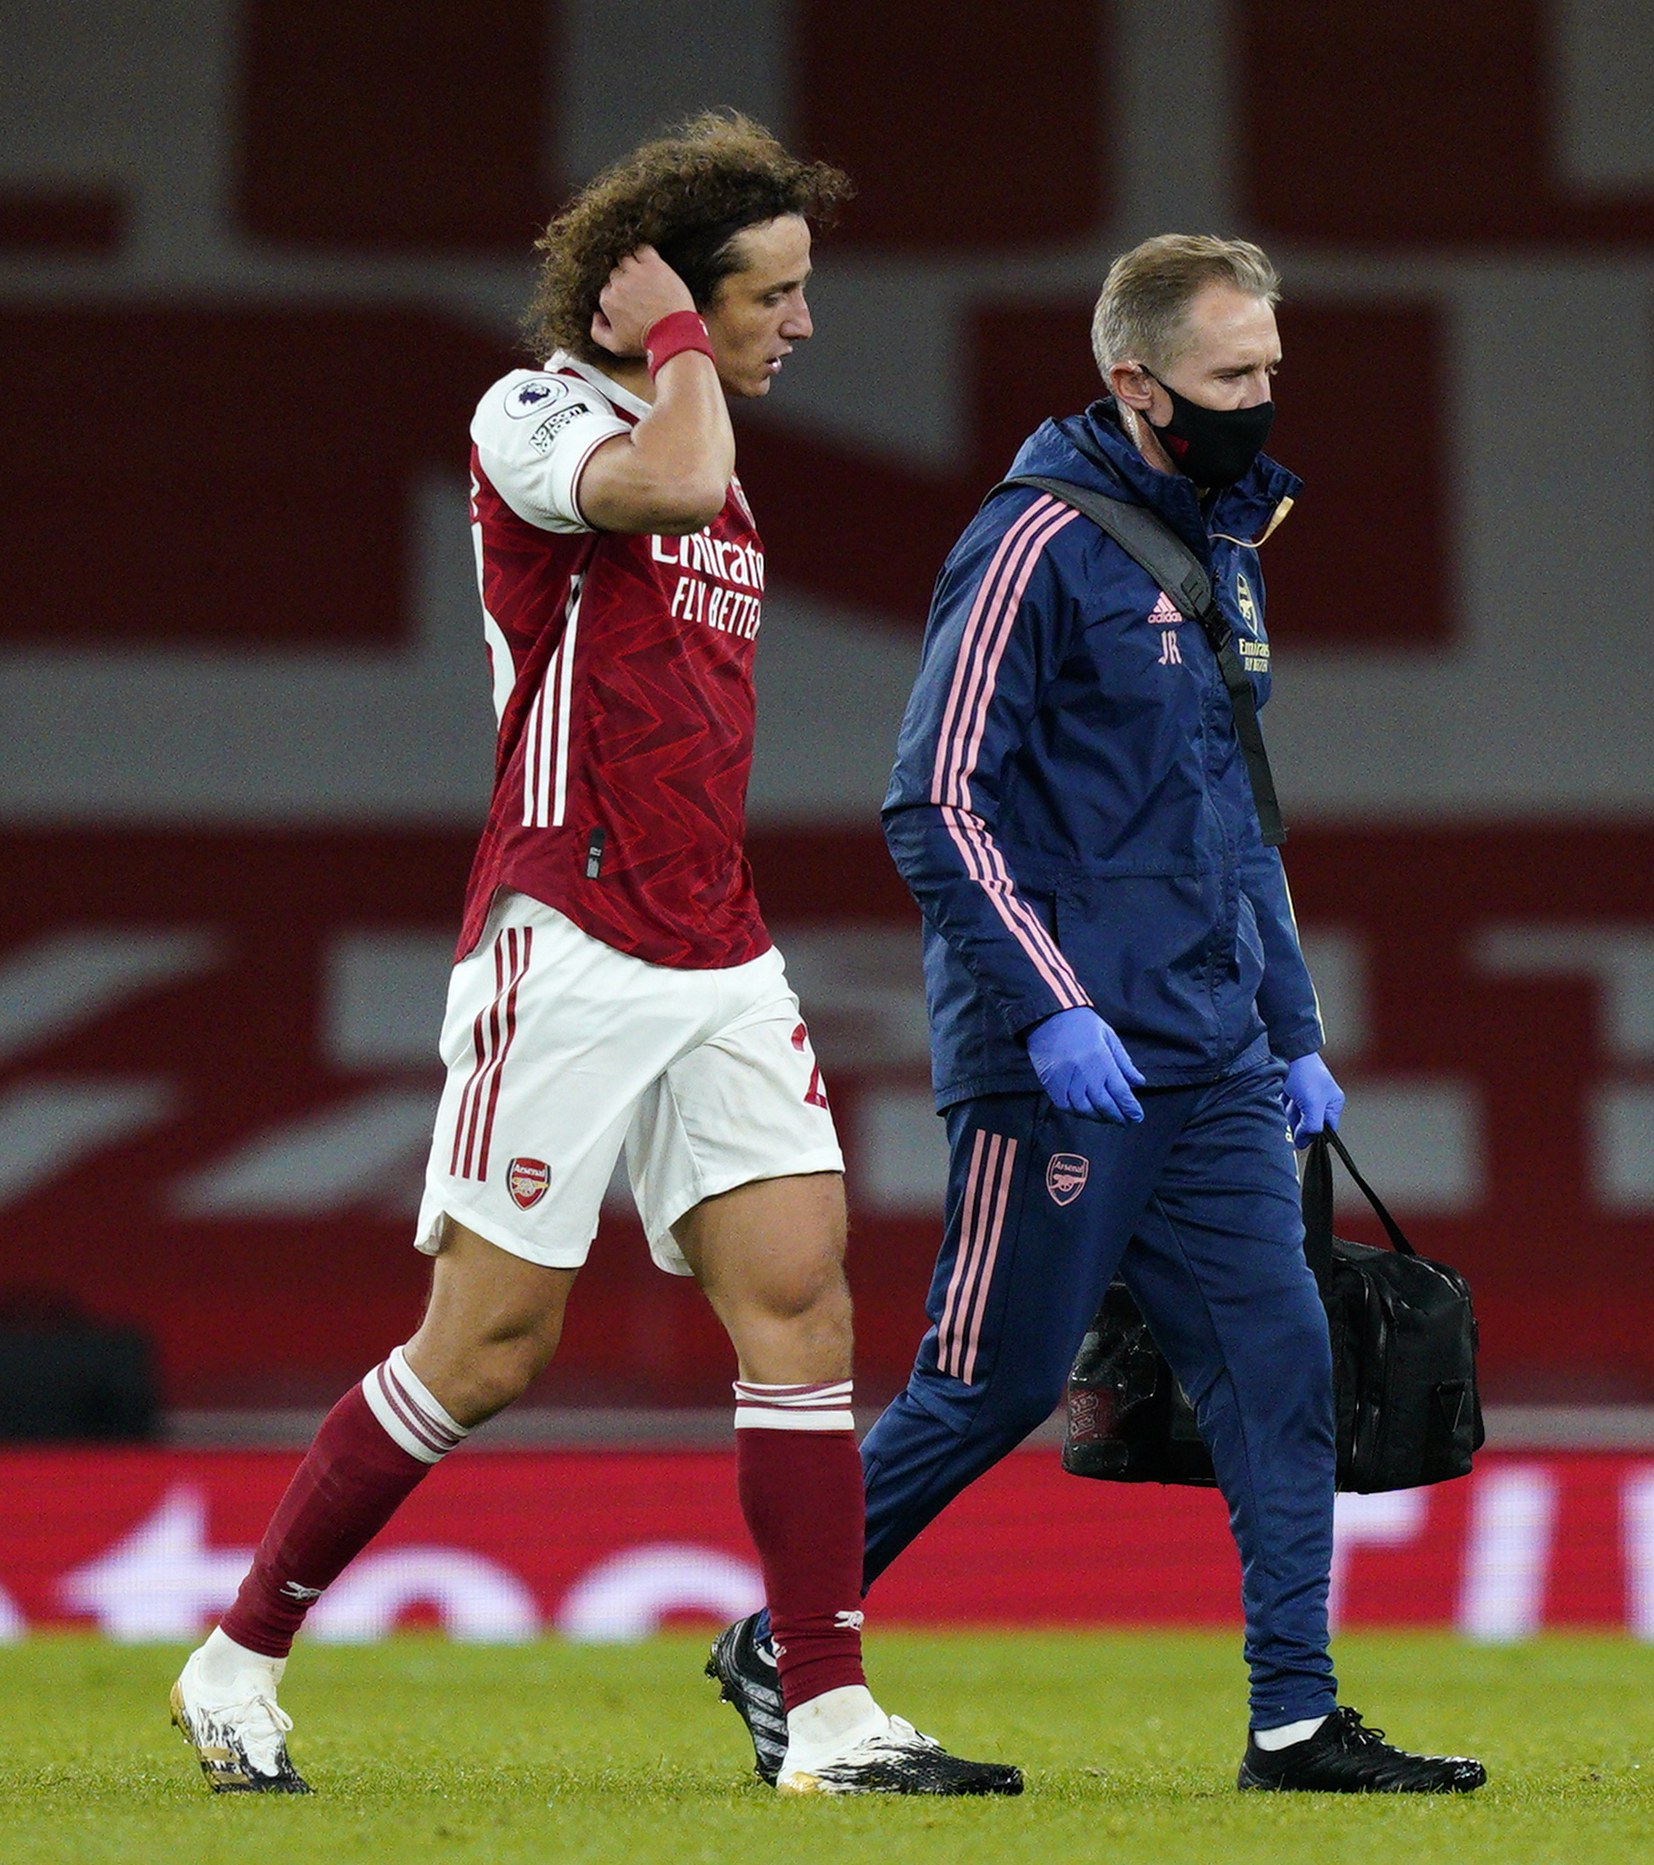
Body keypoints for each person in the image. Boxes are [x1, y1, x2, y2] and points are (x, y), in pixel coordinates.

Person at [170, 111, 1020, 1801]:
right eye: (770, 294)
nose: (801, 323)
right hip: (565, 929)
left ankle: (829, 1717)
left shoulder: (705, 425)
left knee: (800, 1306)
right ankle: (237, 1653)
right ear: (670, 303)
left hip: (718, 943)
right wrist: (680, 344)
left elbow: (697, 489)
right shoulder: (539, 411)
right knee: (488, 1345)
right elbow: (669, 483)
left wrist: (692, 349)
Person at [708, 235, 1487, 1794]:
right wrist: (1055, 1010)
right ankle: (782, 1642)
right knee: (990, 1384)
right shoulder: (1030, 544)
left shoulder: (1220, 548)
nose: (1259, 399)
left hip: (1211, 1056)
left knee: (1282, 1372)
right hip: (1060, 1064)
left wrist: (1289, 1025)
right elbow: (933, 799)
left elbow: (1235, 817)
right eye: (1228, 376)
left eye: (1268, 370)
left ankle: (1293, 1721)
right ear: (1134, 382)